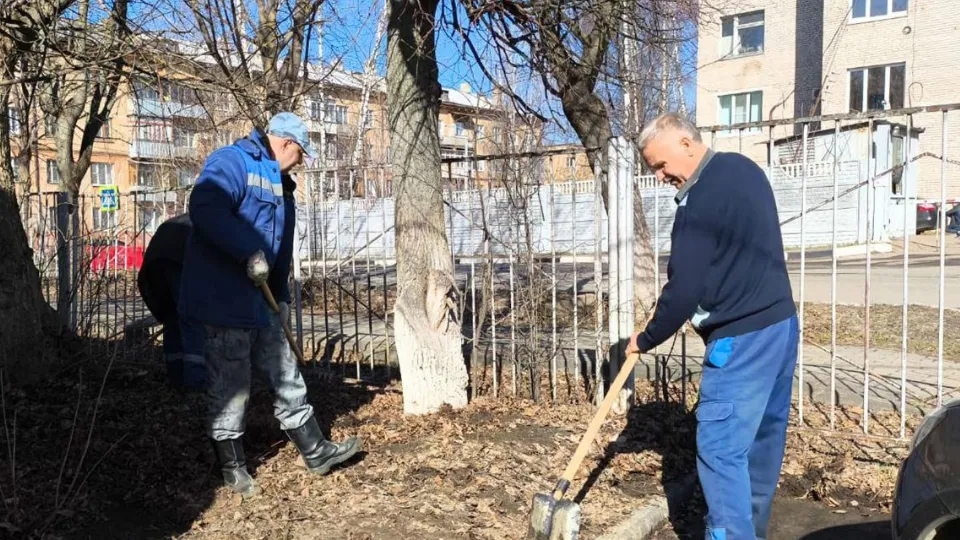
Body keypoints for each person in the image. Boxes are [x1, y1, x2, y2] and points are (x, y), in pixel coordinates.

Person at [625, 113, 799, 540]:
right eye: (654, 170)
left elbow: (683, 289)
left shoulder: (700, 200)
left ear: (686, 142)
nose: (661, 176)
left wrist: (646, 338)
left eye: (661, 165)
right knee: (760, 445)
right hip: (780, 326)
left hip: (739, 341)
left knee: (721, 452)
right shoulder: (745, 169)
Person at [179, 112, 362, 499]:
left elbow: (280, 252)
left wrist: (280, 296)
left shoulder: (284, 188)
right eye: (300, 154)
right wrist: (247, 251)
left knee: (287, 374)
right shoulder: (232, 161)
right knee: (231, 385)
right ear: (285, 144)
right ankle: (232, 469)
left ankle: (316, 452)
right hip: (223, 299)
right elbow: (205, 207)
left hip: (261, 302)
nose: (301, 162)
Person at [137, 213, 207, 392]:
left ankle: (176, 378)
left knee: (173, 318)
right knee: (192, 321)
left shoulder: (184, 220)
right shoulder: (214, 221)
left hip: (157, 263)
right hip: (180, 258)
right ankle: (195, 385)